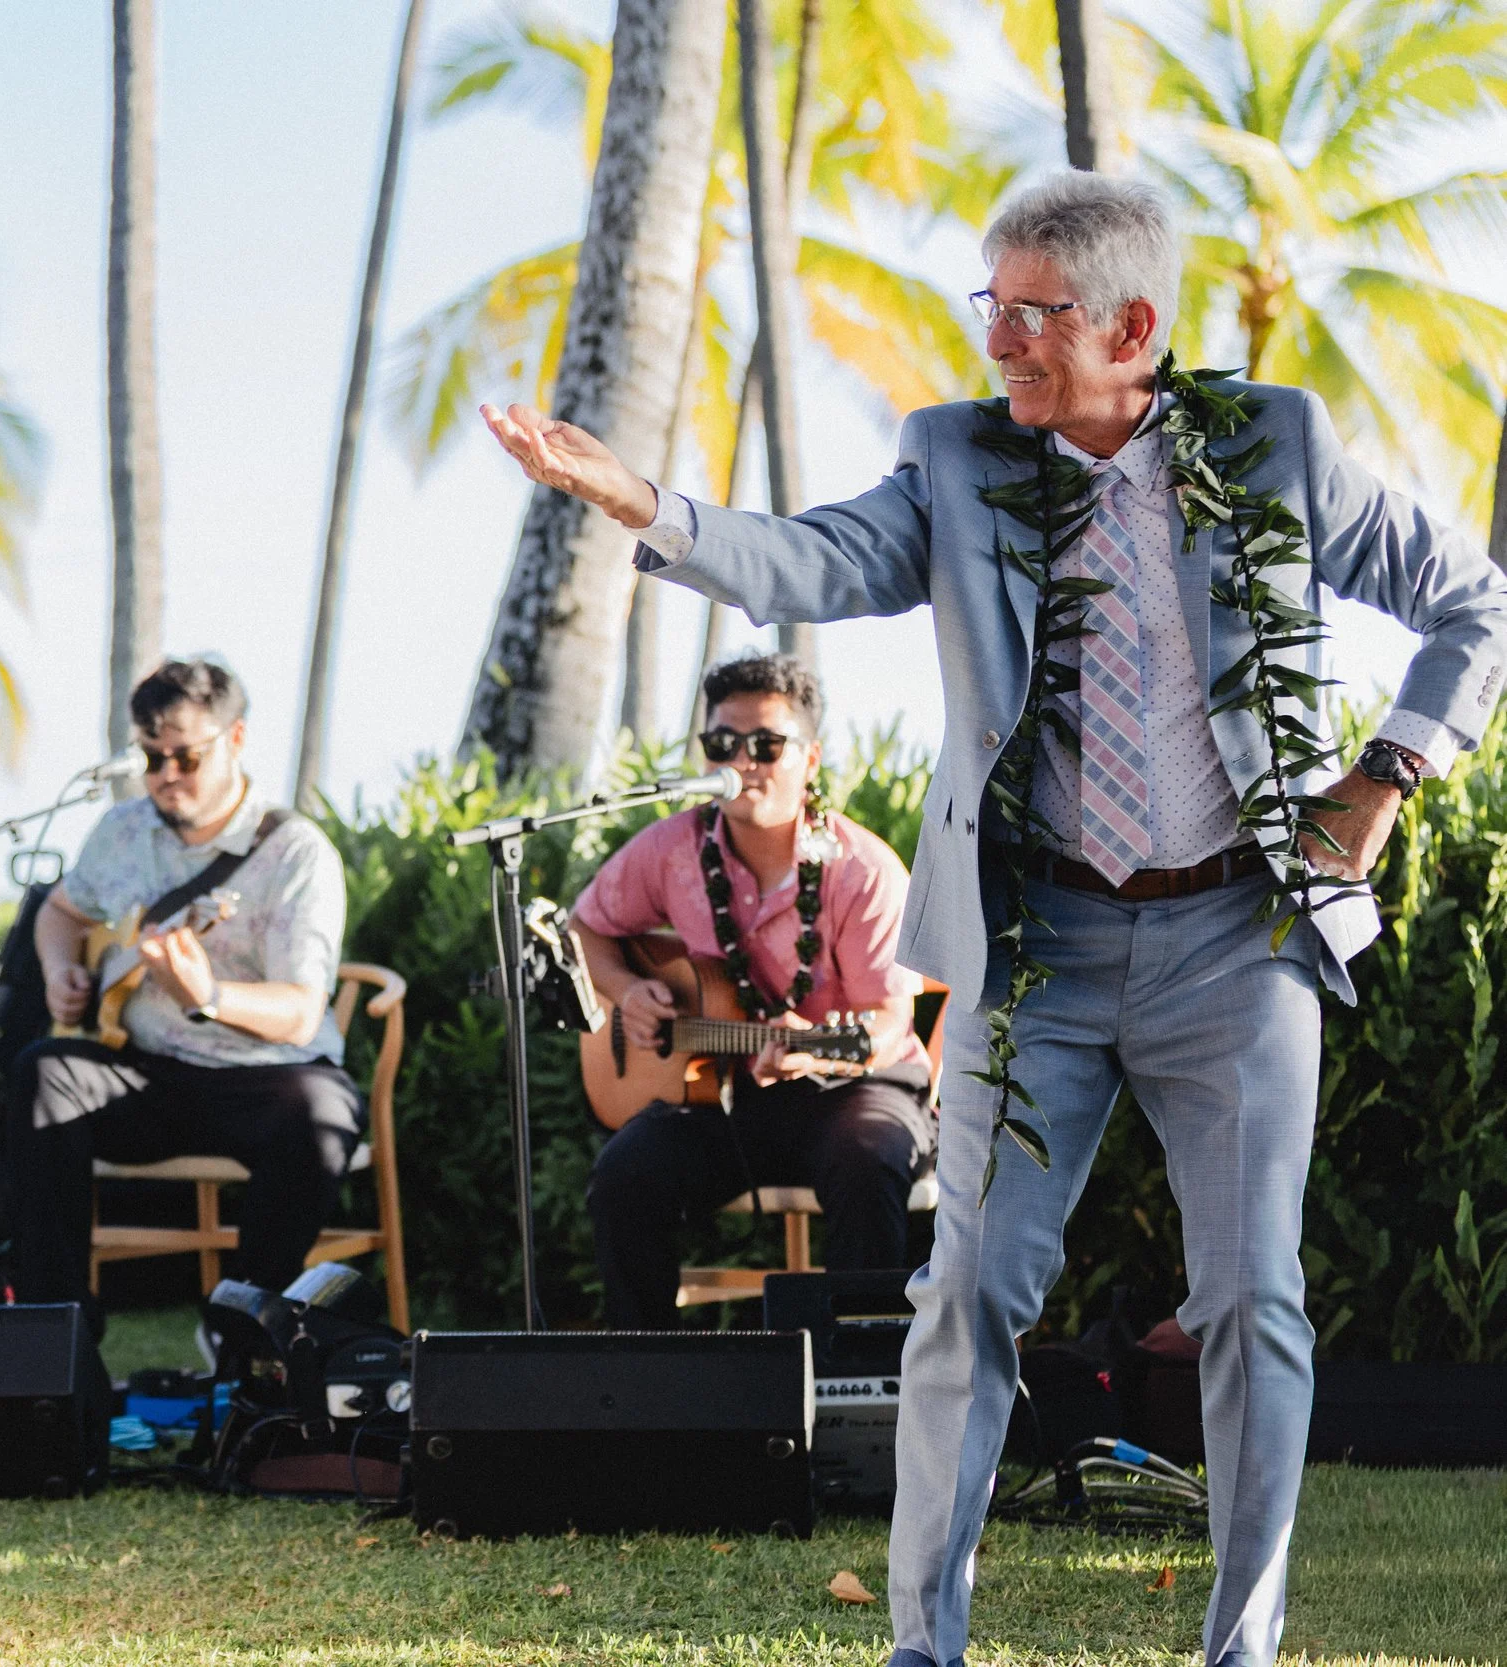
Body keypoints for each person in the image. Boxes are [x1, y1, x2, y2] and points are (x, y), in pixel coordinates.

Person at [483, 172, 1507, 1667]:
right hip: (1041, 951)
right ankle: (922, 1644)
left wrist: (1389, 771)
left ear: (1133, 327)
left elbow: (1473, 597)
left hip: (1241, 944)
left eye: (1034, 314)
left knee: (1253, 1303)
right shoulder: (956, 460)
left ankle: (1244, 1647)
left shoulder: (1274, 445)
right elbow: (822, 558)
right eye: (994, 306)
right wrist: (647, 506)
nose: (1002, 342)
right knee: (962, 1289)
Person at [574, 652, 932, 1328]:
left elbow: (887, 1019)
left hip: (857, 1086)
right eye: (722, 744)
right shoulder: (671, 848)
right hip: (726, 1094)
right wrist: (626, 991)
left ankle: (857, 1385)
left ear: (812, 759)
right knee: (626, 1172)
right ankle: (648, 1387)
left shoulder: (863, 869)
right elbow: (585, 926)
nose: (742, 761)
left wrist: (819, 1050)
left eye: (766, 745)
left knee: (867, 1157)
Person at [4, 659, 360, 1324]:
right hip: (152, 1071)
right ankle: (58, 1330)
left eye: (186, 757)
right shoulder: (123, 831)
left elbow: (301, 1011)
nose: (167, 775)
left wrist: (210, 996)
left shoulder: (295, 852)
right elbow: (61, 911)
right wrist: (60, 973)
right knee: (42, 1074)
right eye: (151, 757)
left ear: (236, 738)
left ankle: (245, 1332)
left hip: (266, 1077)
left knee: (319, 1112)